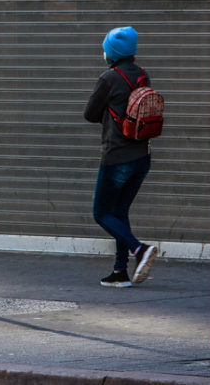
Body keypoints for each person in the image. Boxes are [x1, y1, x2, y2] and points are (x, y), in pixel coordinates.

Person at [83, 26, 157, 288]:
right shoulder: (142, 75)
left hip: (117, 158)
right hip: (142, 156)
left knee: (102, 213)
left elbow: (90, 114)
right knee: (119, 212)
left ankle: (140, 250)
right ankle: (119, 272)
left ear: (111, 52)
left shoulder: (108, 78)